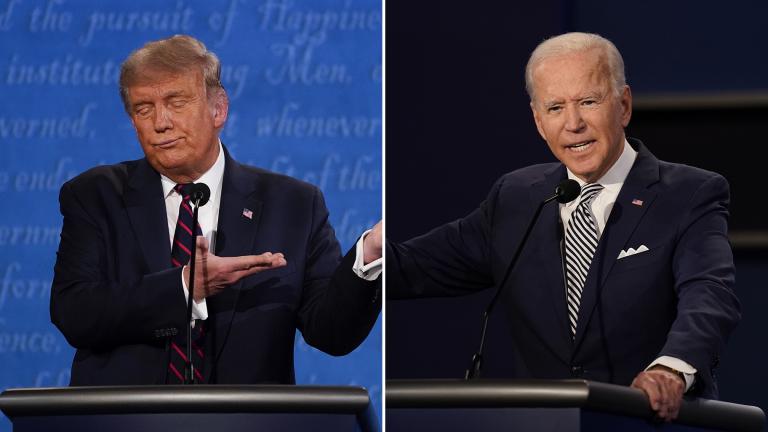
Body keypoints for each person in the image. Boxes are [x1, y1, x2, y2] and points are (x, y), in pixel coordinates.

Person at [386, 32, 740, 421]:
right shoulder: (516, 198)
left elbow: (709, 294)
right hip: (545, 424)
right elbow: (411, 269)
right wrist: (366, 256)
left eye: (588, 102)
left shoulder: (689, 194)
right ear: (539, 122)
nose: (573, 124)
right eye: (555, 108)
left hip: (645, 422)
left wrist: (671, 369)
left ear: (623, 105)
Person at [51, 35, 382, 386]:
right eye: (143, 108)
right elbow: (75, 312)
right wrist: (184, 286)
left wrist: (369, 254)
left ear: (218, 109)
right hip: (126, 421)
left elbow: (332, 333)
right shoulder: (96, 196)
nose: (160, 122)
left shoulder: (294, 205)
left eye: (176, 102)